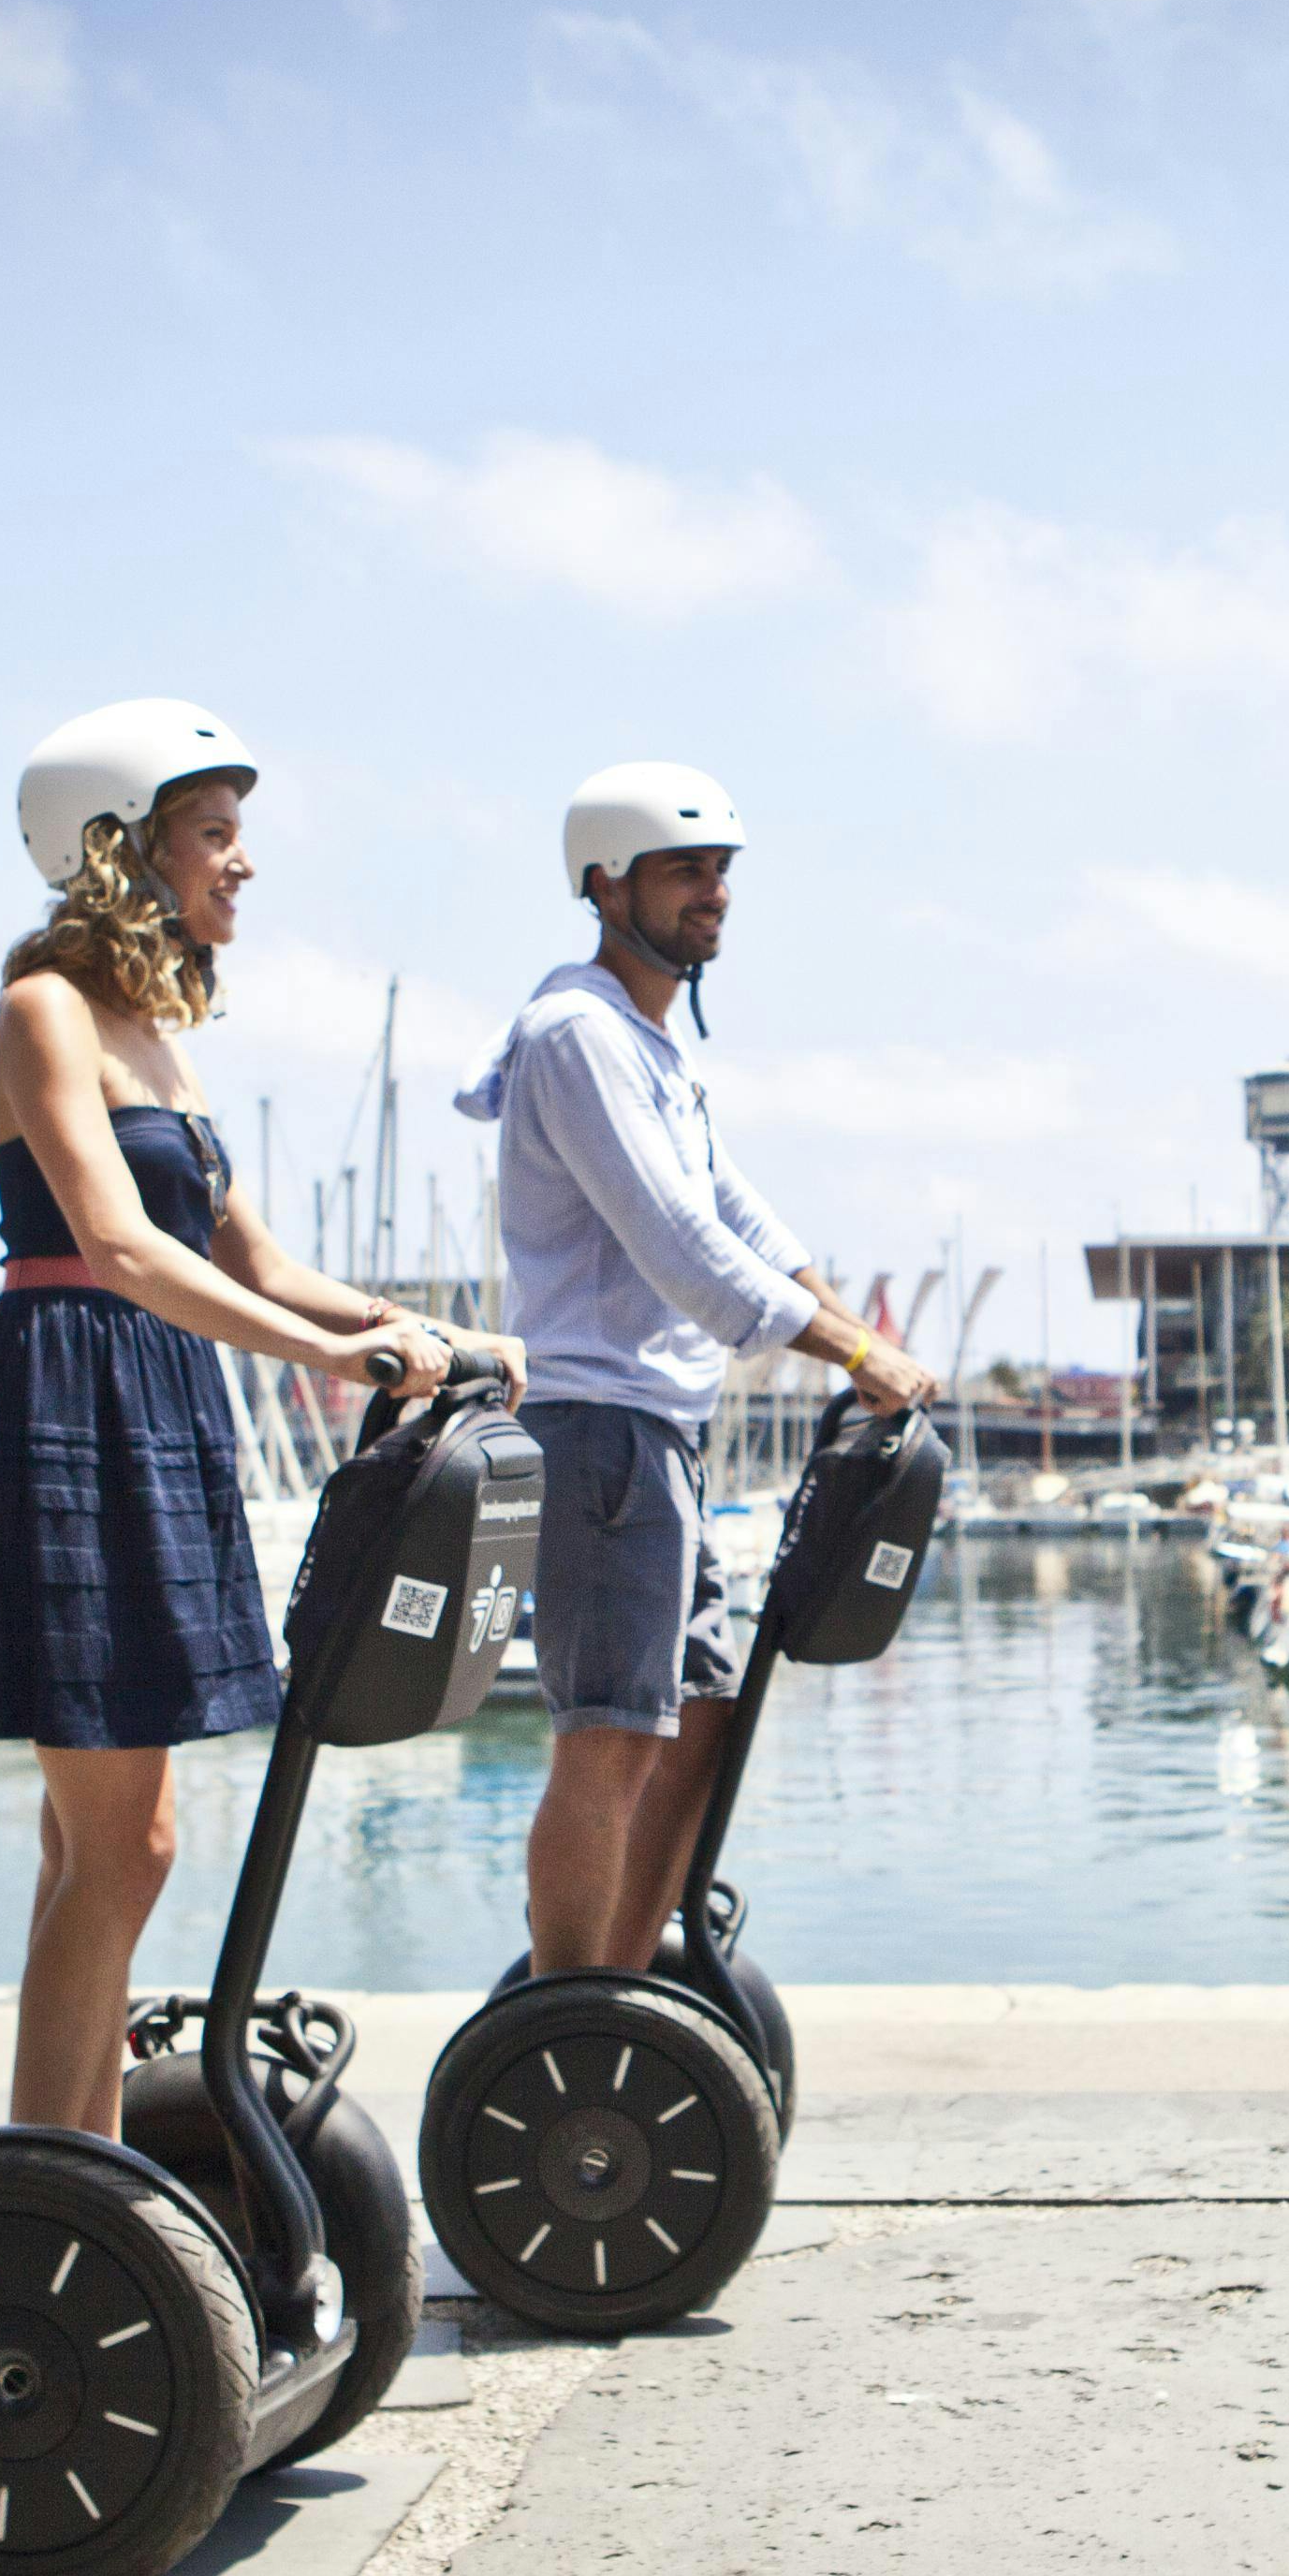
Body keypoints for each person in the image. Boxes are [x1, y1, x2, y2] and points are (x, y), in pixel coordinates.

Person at [0, 698, 518, 2134]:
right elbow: (117, 1241)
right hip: (74, 1388)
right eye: (215, 835)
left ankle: (74, 2161)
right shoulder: (43, 1008)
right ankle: (62, 2168)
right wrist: (328, 1358)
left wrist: (415, 1328)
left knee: (108, 1844)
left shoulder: (162, 1037)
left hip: (158, 1391)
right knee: (124, 1848)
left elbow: (257, 1261)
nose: (241, 865)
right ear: (123, 849)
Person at [461, 763, 934, 1973]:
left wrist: (876, 1346)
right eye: (685, 869)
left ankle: (622, 1980)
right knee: (610, 1737)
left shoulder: (653, 1049)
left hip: (658, 1437)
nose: (712, 892)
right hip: (599, 1433)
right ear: (605, 882)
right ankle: (562, 2016)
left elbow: (754, 1231)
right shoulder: (577, 1036)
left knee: (704, 1714)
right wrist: (860, 1352)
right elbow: (685, 1254)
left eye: (722, 869)